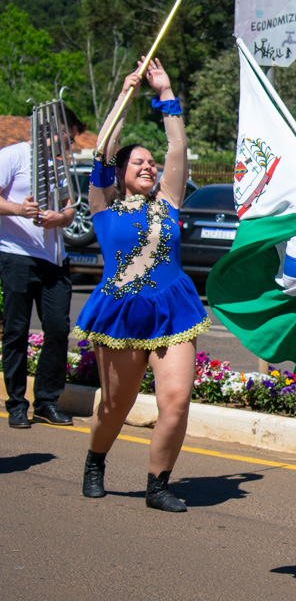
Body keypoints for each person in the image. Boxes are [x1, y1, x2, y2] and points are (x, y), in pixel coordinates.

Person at [73, 58, 209, 512]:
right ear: (120, 172)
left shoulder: (168, 200)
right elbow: (104, 152)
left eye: (151, 162)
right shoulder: (103, 205)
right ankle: (96, 460)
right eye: (139, 162)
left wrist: (165, 93)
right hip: (122, 310)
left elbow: (177, 147)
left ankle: (158, 485)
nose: (150, 166)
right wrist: (125, 96)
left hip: (173, 307)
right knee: (115, 406)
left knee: (176, 401)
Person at [0, 104, 83, 429]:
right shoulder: (17, 154)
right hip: (17, 253)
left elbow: (69, 212)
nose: (71, 144)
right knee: (17, 329)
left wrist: (58, 218)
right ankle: (17, 403)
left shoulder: (59, 168)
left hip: (54, 259)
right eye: (71, 137)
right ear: (58, 129)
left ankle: (47, 401)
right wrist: (20, 210)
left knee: (58, 328)